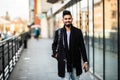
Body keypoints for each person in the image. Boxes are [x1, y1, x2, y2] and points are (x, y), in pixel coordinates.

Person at [52, 10, 89, 80]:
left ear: (72, 19)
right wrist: (55, 53)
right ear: (63, 20)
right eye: (65, 19)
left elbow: (82, 47)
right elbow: (54, 45)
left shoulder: (78, 31)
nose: (67, 20)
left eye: (69, 18)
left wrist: (85, 61)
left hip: (75, 63)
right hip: (64, 63)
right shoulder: (59, 32)